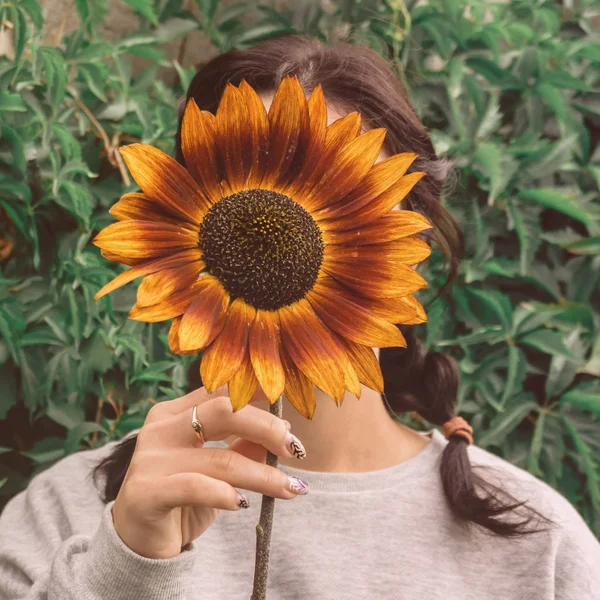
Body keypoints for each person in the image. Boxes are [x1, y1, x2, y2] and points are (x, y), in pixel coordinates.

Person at [1, 35, 599, 600]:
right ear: (176, 221)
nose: (277, 209)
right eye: (247, 166)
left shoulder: (536, 548)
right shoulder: (64, 514)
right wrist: (126, 567)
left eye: (341, 183)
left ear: (405, 240)